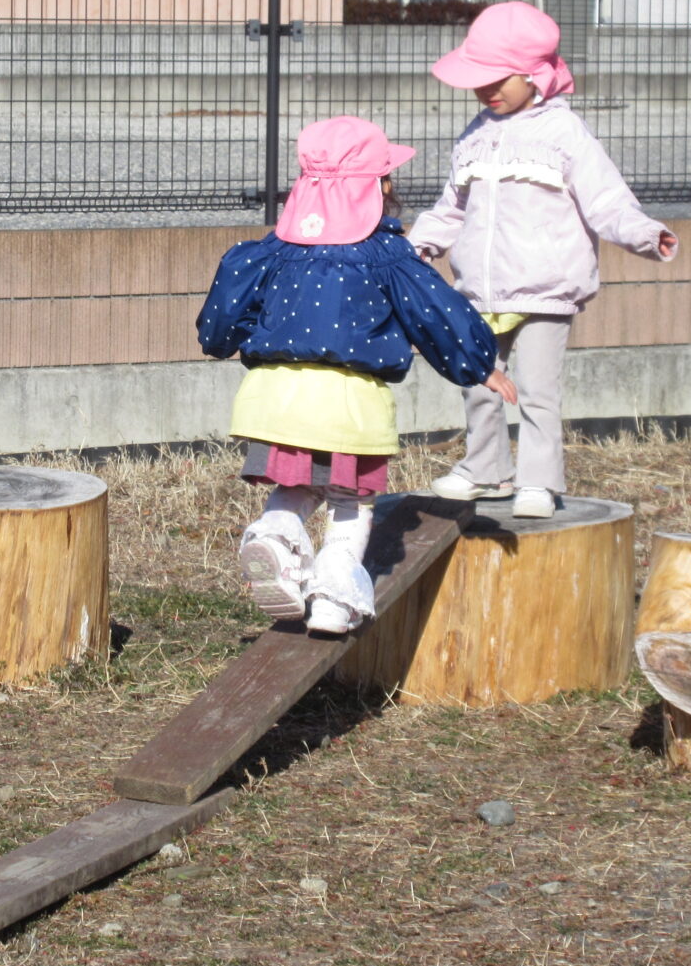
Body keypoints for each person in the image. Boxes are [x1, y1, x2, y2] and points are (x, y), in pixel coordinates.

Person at [198, 116, 514, 633]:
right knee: (350, 502)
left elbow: (223, 312)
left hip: (271, 397)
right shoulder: (386, 255)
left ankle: (274, 536)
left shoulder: (271, 251)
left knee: (296, 485)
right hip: (348, 403)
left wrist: (222, 340)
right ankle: (333, 597)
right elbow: (436, 311)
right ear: (381, 185)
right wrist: (478, 363)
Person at [410, 1, 677, 518]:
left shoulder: (564, 133)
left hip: (544, 291)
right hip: (480, 292)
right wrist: (421, 244)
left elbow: (605, 200)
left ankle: (539, 480)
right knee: (477, 381)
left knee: (536, 391)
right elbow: (452, 207)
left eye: (499, 79)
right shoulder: (475, 135)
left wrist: (646, 234)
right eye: (479, 80)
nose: (487, 90)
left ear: (534, 74)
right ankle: (486, 469)